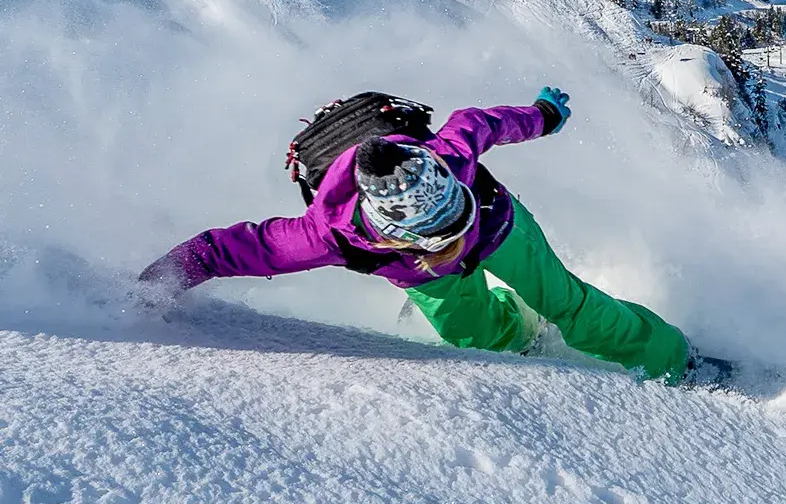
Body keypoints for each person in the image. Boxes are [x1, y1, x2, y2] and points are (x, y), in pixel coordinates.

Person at [139, 88, 691, 382]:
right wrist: (155, 285)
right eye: (446, 236)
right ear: (396, 236)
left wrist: (543, 115)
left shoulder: (447, 160)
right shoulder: (327, 236)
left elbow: (482, 121)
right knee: (472, 333)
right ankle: (521, 337)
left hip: (503, 226)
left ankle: (671, 358)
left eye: (458, 214)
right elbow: (224, 250)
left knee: (572, 304)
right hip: (423, 276)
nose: (459, 238)